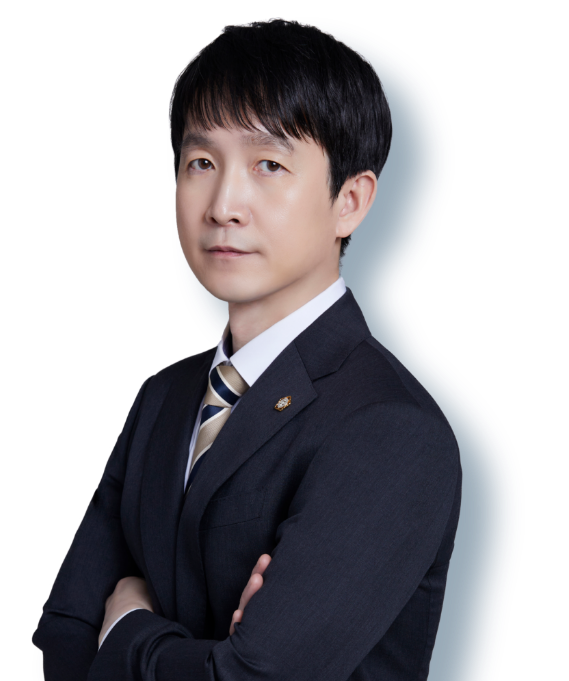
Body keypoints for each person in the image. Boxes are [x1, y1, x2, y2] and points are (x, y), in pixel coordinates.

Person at [32, 18, 462, 681]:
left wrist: (128, 623)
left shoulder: (390, 427)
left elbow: (255, 678)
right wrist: (205, 653)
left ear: (350, 201)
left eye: (269, 165)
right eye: (202, 163)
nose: (223, 205)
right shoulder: (163, 395)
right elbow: (64, 637)